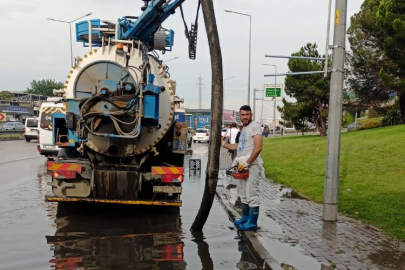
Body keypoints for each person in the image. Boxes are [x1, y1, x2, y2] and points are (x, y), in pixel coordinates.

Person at [222, 105, 264, 231]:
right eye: (242, 115)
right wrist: (225, 145)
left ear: (251, 114)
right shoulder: (244, 128)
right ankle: (245, 218)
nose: (245, 117)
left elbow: (258, 147)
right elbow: (240, 146)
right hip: (241, 164)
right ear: (239, 116)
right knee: (242, 193)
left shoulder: (255, 126)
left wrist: (247, 163)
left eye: (247, 114)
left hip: (251, 165)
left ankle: (252, 222)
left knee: (251, 193)